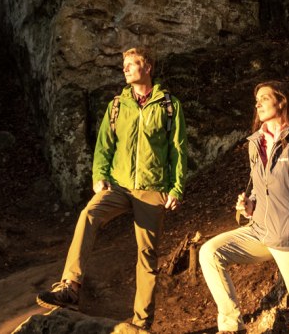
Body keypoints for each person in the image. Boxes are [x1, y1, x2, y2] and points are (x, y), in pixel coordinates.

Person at [36, 46, 187, 329]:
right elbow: (104, 146)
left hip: (152, 189)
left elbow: (178, 150)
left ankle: (141, 323)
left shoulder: (169, 105)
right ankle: (70, 285)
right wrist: (99, 176)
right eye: (124, 64)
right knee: (88, 215)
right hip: (118, 186)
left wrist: (176, 189)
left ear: (148, 67)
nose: (125, 69)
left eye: (132, 64)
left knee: (147, 258)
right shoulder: (117, 105)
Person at [199, 80, 289, 334]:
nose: (257, 103)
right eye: (256, 99)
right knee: (210, 252)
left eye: (264, 98)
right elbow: (265, 191)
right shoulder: (255, 143)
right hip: (259, 232)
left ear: (281, 101)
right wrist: (251, 206)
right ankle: (231, 327)